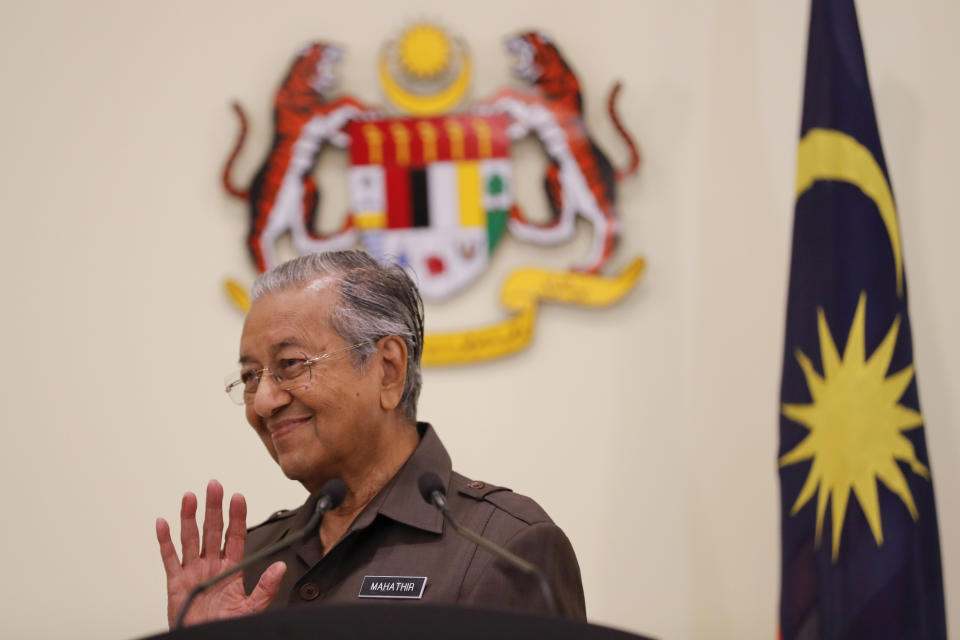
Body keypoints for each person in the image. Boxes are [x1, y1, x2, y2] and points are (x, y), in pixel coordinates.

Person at [155, 250, 585, 628]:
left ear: (388, 369)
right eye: (251, 376)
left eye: (290, 363)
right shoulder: (246, 564)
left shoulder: (501, 546)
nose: (263, 401)